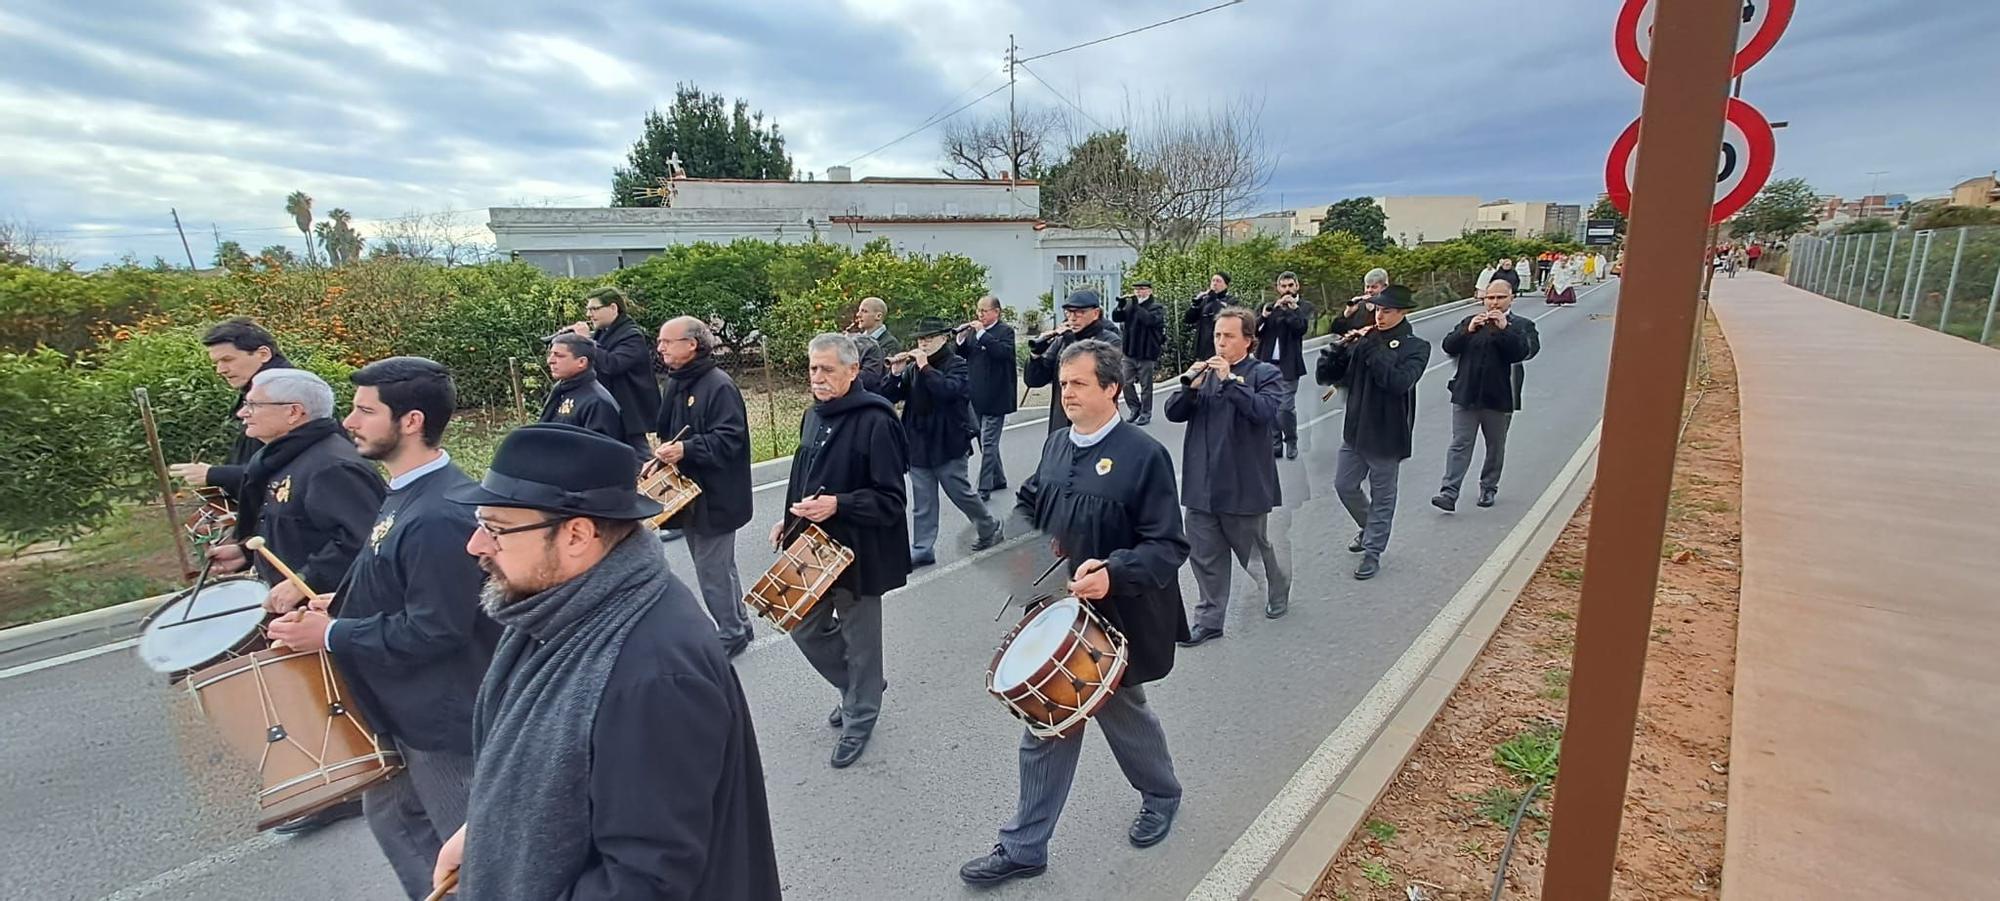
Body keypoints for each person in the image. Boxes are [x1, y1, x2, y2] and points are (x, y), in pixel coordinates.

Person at [431, 423, 781, 901]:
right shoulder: (559, 609)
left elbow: (644, 879)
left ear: (577, 535)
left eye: (496, 528)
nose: (476, 545)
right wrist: (485, 833)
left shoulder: (654, 674)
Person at [264, 357, 498, 899]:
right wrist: (341, 603)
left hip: (443, 725)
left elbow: (437, 628)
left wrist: (329, 635)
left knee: (476, 861)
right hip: (399, 710)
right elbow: (403, 582)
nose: (348, 421)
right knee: (397, 823)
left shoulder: (439, 512)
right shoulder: (407, 492)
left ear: (411, 421)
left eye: (365, 411)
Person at [959, 339, 1188, 886]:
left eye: (1079, 384)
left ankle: (1161, 794)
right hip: (1062, 617)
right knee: (1047, 724)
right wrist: (1021, 542)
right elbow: (1032, 499)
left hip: (1119, 619)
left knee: (1124, 713)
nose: (1068, 394)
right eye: (1063, 385)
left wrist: (1114, 571)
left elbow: (1168, 545)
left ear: (1112, 388)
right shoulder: (1059, 442)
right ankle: (1024, 847)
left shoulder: (1143, 455)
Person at [214, 367, 384, 834]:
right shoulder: (285, 460)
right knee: (320, 697)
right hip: (300, 605)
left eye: (254, 405)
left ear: (294, 412)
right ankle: (345, 782)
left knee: (344, 698)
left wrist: (304, 578)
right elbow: (293, 527)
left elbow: (366, 537)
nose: (243, 413)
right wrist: (243, 554)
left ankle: (355, 782)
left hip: (334, 604)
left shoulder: (330, 464)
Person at [776, 333, 911, 769]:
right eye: (813, 368)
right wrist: (788, 520)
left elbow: (891, 500)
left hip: (860, 551)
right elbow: (802, 475)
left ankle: (861, 717)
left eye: (827, 369)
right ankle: (861, 688)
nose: (817, 377)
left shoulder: (878, 420)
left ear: (853, 372)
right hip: (813, 548)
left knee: (861, 640)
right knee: (803, 627)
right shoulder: (812, 416)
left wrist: (839, 503)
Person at [1167, 308, 1291, 642]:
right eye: (1218, 335)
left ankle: (1276, 585)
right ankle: (1209, 619)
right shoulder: (1204, 373)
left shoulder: (1264, 373)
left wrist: (1229, 382)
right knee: (1204, 555)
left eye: (1229, 336)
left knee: (1252, 550)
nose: (1220, 343)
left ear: (1248, 340)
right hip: (1202, 483)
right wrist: (1190, 387)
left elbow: (1264, 411)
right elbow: (1173, 412)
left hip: (1243, 484)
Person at [653, 316, 756, 658]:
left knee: (712, 569)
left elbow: (730, 439)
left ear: (692, 344)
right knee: (719, 566)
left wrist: (686, 449)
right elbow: (666, 429)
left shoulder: (718, 385)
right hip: (688, 492)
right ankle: (739, 623)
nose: (661, 347)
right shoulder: (677, 383)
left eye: (668, 341)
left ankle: (729, 634)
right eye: (660, 342)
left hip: (718, 493)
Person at [1313, 285, 1431, 581]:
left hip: (1387, 433)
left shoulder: (1416, 347)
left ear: (1402, 313)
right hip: (1356, 429)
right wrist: (1338, 350)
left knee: (1383, 495)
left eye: (1387, 311)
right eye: (1377, 310)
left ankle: (1373, 551)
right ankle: (1369, 528)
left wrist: (1370, 348)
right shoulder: (1366, 339)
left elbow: (1398, 382)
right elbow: (1329, 378)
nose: (1379, 316)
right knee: (1344, 485)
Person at [885, 317, 1003, 567]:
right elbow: (890, 396)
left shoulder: (956, 363)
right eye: (920, 339)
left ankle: (988, 526)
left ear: (943, 338)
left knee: (959, 491)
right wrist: (895, 374)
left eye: (928, 338)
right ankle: (922, 548)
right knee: (922, 499)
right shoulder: (913, 368)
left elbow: (949, 391)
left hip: (948, 440)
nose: (923, 343)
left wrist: (925, 366)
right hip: (917, 440)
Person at [1433, 281, 1541, 513]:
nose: (1494, 303)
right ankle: (1449, 492)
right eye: (1490, 298)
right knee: (1460, 444)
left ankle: (1488, 486)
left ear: (1511, 298)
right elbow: (1449, 346)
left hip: (1500, 396)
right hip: (1466, 393)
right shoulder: (1470, 322)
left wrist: (1505, 329)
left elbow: (1523, 352)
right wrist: (1467, 330)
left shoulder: (1522, 325)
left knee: (1495, 445)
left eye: (1500, 298)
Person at [168, 317, 294, 499]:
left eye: (228, 359)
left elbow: (290, 470)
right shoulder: (261, 388)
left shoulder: (284, 394)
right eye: (217, 363)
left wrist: (215, 474)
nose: (221, 370)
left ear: (263, 354)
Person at [568, 286, 659, 460]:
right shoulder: (603, 333)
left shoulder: (632, 335)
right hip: (608, 410)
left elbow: (612, 364)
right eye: (587, 309)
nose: (589, 314)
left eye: (594, 309)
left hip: (629, 413)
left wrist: (586, 341)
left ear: (613, 308)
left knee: (640, 462)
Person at [1024, 288, 1120, 434]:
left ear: (1095, 313)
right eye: (1069, 312)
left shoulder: (1109, 340)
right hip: (1062, 422)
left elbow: (1106, 379)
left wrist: (1072, 346)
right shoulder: (1062, 339)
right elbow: (1035, 380)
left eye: (1079, 312)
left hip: (1096, 422)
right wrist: (1036, 355)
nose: (1073, 318)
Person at [958, 295, 1017, 501]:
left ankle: (983, 488)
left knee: (989, 441)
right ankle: (998, 478)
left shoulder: (1005, 332)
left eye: (984, 311)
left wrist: (982, 334)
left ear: (996, 312)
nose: (979, 315)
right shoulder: (975, 334)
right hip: (976, 395)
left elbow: (1002, 353)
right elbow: (964, 355)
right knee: (983, 441)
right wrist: (961, 339)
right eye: (978, 311)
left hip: (997, 396)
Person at [1255, 271, 1315, 459]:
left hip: (1289, 365)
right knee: (1270, 405)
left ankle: (1291, 440)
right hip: (1267, 364)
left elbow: (1301, 328)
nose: (1287, 290)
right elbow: (1256, 332)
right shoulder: (1269, 307)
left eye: (1291, 285)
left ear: (1297, 286)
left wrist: (1291, 309)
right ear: (1278, 288)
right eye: (1283, 286)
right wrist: (1265, 316)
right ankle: (1275, 442)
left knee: (1285, 407)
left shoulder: (1304, 307)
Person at [538, 334, 624, 441]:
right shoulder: (561, 391)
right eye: (550, 354)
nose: (550, 361)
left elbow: (599, 450)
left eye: (559, 356)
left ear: (582, 362)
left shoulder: (597, 402)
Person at [1112, 280, 1167, 424]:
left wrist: (1135, 305)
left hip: (1147, 352)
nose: (1138, 292)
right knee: (1125, 382)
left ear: (1149, 291)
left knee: (1146, 385)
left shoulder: (1156, 307)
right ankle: (1134, 407)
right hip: (1129, 351)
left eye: (1142, 289)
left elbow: (1149, 320)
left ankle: (1146, 413)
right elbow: (1116, 318)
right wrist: (1119, 307)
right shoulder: (1131, 306)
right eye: (1136, 290)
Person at [1182, 272, 1234, 362]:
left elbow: (1226, 315)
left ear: (1226, 285)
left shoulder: (1232, 300)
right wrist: (1195, 304)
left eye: (1218, 281)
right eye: (1213, 280)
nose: (1214, 283)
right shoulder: (1205, 300)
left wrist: (1215, 300)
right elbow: (1188, 320)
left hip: (1220, 346)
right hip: (1203, 347)